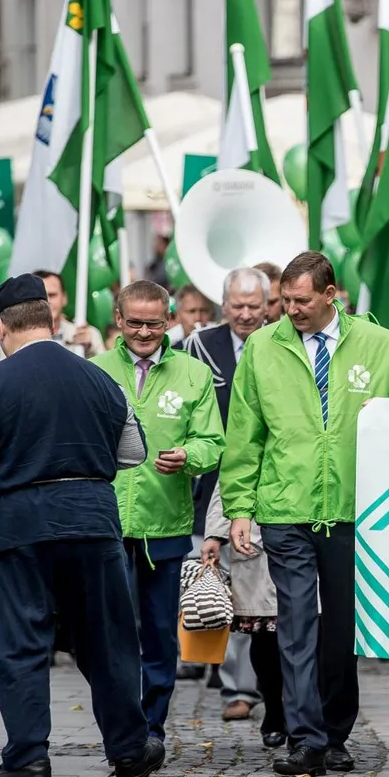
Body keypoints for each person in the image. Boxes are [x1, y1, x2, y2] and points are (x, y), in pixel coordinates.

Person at [222, 251, 389, 777]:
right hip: (286, 507)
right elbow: (244, 435)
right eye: (284, 300)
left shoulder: (377, 344)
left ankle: (335, 732)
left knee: (340, 633)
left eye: (301, 300)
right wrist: (239, 508)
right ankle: (305, 738)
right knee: (296, 627)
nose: (291, 309)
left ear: (332, 295)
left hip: (356, 510)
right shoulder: (264, 348)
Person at [0, 274, 163, 777]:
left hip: (18, 521)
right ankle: (131, 751)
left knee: (20, 644)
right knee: (108, 641)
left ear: (1, 326)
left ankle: (29, 763)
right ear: (49, 320)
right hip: (92, 515)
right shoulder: (100, 379)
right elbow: (135, 453)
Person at [92, 280, 224, 747]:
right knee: (111, 636)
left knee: (161, 634)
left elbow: (214, 443)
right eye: (135, 322)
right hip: (107, 524)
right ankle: (120, 731)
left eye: (153, 322)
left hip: (166, 524)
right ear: (118, 321)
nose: (144, 332)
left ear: (168, 320)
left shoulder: (193, 373)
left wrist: (190, 455)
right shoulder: (95, 369)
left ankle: (152, 729)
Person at [181, 267, 275, 723]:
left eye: (254, 306)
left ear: (267, 306)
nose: (245, 314)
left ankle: (270, 690)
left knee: (265, 594)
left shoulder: (277, 342)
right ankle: (236, 688)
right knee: (228, 590)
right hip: (210, 487)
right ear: (224, 304)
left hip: (266, 480)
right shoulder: (200, 346)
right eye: (237, 305)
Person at [202, 481, 286, 749]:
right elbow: (234, 471)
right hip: (256, 529)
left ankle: (306, 715)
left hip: (312, 523)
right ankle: (274, 710)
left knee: (316, 631)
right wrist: (214, 533)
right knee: (264, 631)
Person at [33, 269, 105, 357]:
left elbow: (103, 369)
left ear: (64, 298)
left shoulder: (88, 335)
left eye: (52, 295)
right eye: (41, 296)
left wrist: (90, 350)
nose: (47, 301)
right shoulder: (17, 338)